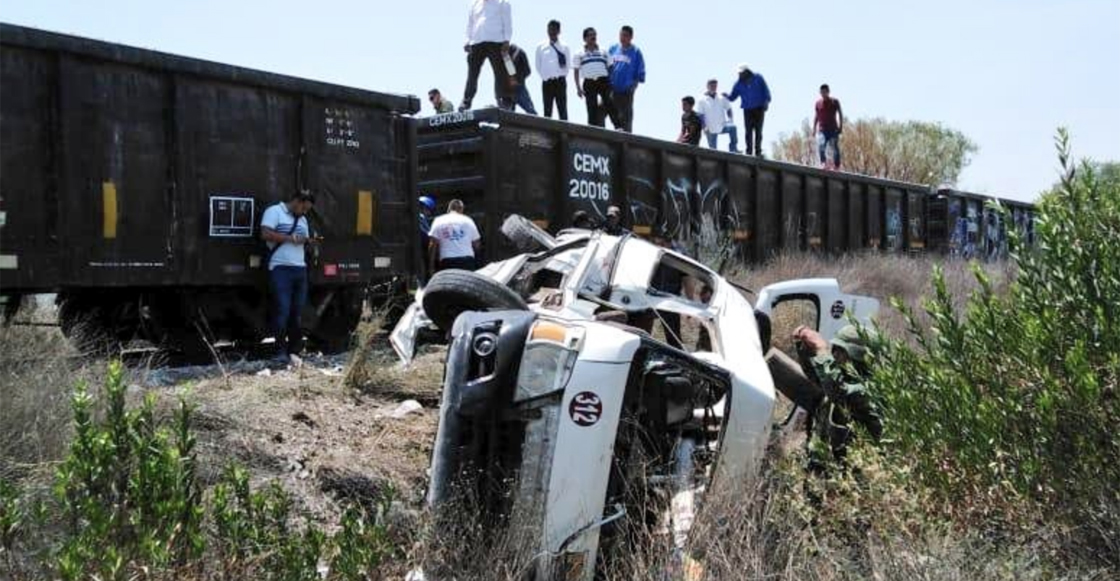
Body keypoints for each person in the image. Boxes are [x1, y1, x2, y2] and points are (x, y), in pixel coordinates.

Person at [793, 324, 883, 473]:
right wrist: (803, 348)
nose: (833, 355)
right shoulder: (840, 378)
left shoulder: (869, 389)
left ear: (856, 356)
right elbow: (818, 378)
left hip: (848, 480)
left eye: (839, 351)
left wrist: (821, 350)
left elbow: (839, 392)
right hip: (824, 472)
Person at [260, 191, 316, 366]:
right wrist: (291, 238)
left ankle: (294, 351)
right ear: (297, 202)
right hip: (280, 267)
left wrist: (309, 242)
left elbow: (302, 240)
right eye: (304, 208)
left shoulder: (303, 220)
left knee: (297, 312)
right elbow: (265, 234)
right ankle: (279, 351)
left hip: (300, 268)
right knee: (282, 309)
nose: (304, 212)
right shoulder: (274, 212)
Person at [461, 0, 513, 111]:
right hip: (477, 42)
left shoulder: (502, 3)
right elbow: (470, 24)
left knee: (500, 73)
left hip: (495, 41)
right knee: (472, 74)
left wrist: (507, 40)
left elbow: (507, 22)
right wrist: (467, 41)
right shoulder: (475, 4)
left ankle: (504, 100)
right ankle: (466, 101)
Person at [573, 27, 616, 128]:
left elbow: (611, 66)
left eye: (594, 34)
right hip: (589, 82)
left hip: (603, 80)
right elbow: (576, 71)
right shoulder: (579, 53)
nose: (593, 37)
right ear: (585, 38)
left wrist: (610, 80)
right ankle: (592, 129)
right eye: (591, 35)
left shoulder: (603, 51)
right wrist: (578, 88)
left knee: (609, 103)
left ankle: (618, 126)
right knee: (591, 106)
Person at [726, 65, 771, 157]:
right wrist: (726, 96)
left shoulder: (758, 77)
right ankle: (749, 152)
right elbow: (733, 97)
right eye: (739, 73)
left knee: (758, 131)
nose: (740, 74)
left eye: (742, 73)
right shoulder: (738, 84)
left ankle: (758, 151)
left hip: (759, 108)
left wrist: (766, 101)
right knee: (748, 131)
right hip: (747, 109)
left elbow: (766, 91)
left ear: (747, 72)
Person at [608, 25, 645, 132]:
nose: (622, 38)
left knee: (625, 118)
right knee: (601, 110)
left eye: (625, 35)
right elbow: (607, 66)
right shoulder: (613, 48)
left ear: (631, 37)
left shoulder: (636, 52)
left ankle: (626, 143)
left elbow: (640, 73)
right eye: (621, 35)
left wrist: (633, 87)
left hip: (626, 91)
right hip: (612, 88)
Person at [429, 199, 481, 272]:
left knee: (449, 283)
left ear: (449, 209)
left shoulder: (438, 220)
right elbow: (477, 245)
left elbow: (432, 245)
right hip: (467, 260)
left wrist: (431, 266)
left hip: (447, 261)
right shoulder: (468, 220)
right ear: (461, 209)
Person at [536, 20, 571, 120]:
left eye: (554, 29)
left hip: (560, 81)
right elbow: (538, 65)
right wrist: (545, 76)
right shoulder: (541, 47)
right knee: (547, 110)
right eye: (549, 29)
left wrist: (560, 76)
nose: (551, 32)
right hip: (547, 82)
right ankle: (547, 133)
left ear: (559, 31)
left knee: (562, 110)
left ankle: (564, 133)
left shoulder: (565, 47)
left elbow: (567, 66)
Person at [697, 79, 740, 153]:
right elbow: (700, 115)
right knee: (713, 151)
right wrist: (704, 127)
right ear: (707, 86)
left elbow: (729, 108)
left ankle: (733, 148)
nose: (714, 87)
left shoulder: (721, 97)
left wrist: (730, 119)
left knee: (733, 128)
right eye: (712, 86)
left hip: (722, 126)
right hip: (710, 129)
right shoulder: (702, 99)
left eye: (715, 86)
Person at [497, 43, 537, 114]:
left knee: (531, 113)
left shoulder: (519, 52)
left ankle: (539, 124)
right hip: (506, 90)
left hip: (518, 88)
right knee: (506, 116)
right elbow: (497, 75)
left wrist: (517, 80)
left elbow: (527, 71)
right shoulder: (497, 55)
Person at [813, 84, 844, 169]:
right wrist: (814, 128)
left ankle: (836, 165)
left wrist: (841, 127)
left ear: (828, 92)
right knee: (821, 144)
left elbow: (840, 114)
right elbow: (816, 116)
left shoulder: (835, 101)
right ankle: (823, 162)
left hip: (833, 129)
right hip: (822, 129)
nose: (823, 94)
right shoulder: (818, 103)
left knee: (834, 147)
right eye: (822, 92)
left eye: (825, 92)